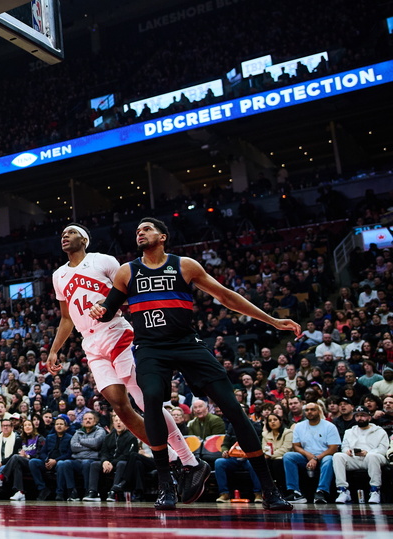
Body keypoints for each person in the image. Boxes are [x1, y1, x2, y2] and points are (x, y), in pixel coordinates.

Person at [91, 217, 298, 511]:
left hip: (187, 344)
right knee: (150, 399)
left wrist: (272, 320)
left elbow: (226, 296)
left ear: (163, 237)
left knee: (233, 409)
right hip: (150, 347)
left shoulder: (185, 265)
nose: (140, 232)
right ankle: (166, 486)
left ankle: (269, 490)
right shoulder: (127, 272)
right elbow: (109, 311)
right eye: (137, 230)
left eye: (147, 229)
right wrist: (99, 310)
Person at [48, 224, 200, 489]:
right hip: (91, 343)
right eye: (62, 234)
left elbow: (127, 293)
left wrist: (108, 305)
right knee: (120, 407)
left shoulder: (103, 261)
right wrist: (53, 349)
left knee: (146, 403)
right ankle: (173, 460)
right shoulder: (58, 275)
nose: (65, 236)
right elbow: (65, 317)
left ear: (84, 238)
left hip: (116, 331)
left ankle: (190, 462)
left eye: (70, 232)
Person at [282, 400, 341, 503]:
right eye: (307, 410)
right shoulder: (299, 426)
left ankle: (321, 491)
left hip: (323, 456)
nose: (309, 412)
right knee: (288, 456)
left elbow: (333, 448)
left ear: (319, 411)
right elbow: (296, 446)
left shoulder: (329, 426)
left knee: (330, 459)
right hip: (306, 457)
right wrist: (309, 455)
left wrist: (316, 458)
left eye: (312, 410)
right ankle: (295, 492)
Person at [332, 406, 389, 504]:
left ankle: (375, 490)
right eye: (357, 416)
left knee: (372, 457)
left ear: (369, 417)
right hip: (355, 458)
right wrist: (347, 451)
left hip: (374, 458)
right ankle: (343, 490)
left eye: (363, 415)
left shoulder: (380, 431)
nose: (360, 418)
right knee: (337, 456)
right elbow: (344, 447)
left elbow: (383, 449)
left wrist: (368, 453)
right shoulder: (349, 432)